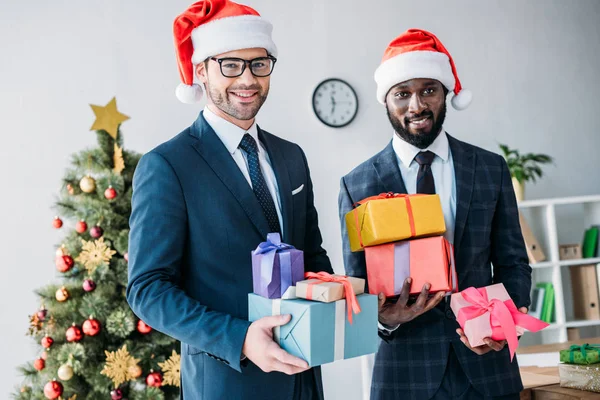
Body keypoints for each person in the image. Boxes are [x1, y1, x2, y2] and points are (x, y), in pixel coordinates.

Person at [126, 1, 333, 399]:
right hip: (227, 383)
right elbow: (148, 289)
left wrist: (350, 302)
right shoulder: (167, 165)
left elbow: (313, 257)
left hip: (303, 379)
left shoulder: (292, 156)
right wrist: (240, 339)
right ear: (201, 70)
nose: (248, 79)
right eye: (230, 65)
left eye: (259, 64)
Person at [338, 29, 531, 400]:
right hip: (405, 376)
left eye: (429, 89)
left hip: (489, 370)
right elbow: (357, 283)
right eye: (402, 93)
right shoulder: (356, 185)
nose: (416, 105)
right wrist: (384, 319)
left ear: (446, 94)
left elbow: (514, 262)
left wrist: (502, 324)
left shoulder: (490, 168)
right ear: (386, 102)